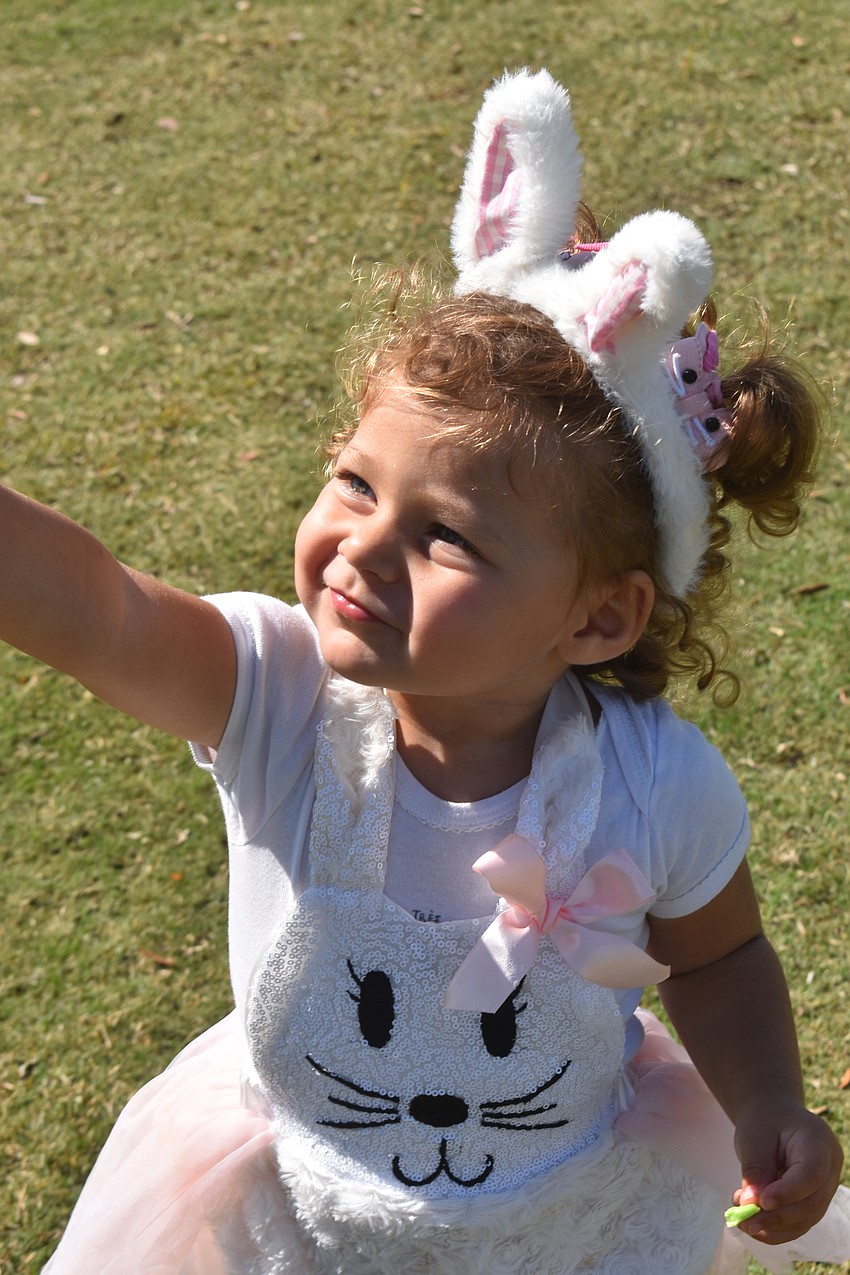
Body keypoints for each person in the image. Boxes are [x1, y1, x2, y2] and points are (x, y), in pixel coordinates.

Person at [4, 67, 849, 1275]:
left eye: (444, 536)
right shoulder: (278, 698)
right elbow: (103, 616)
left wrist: (768, 1098)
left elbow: (715, 958)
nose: (363, 544)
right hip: (300, 1216)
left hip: (569, 1225)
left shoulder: (655, 785)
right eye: (356, 482)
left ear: (598, 618)